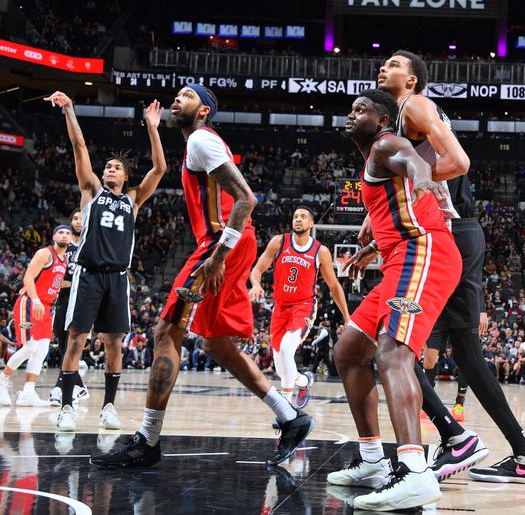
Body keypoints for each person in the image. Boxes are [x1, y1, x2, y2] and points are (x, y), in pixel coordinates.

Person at [89, 85, 313, 469]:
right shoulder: (200, 142)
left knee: (165, 332)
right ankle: (291, 417)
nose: (178, 99)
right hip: (234, 241)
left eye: (188, 95)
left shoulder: (201, 141)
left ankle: (147, 439)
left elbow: (247, 199)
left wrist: (217, 256)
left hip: (220, 242)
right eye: (177, 94)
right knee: (216, 345)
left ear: (205, 111)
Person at [374, 50, 525, 484]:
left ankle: (454, 439)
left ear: (412, 81)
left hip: (449, 235)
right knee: (465, 357)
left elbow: (458, 162)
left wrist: (418, 180)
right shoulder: (404, 117)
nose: (384, 68)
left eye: (395, 65)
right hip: (459, 233)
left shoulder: (414, 106)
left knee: (397, 343)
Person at [327, 89, 458, 511]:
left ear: (383, 120)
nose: (351, 114)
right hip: (398, 257)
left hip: (425, 251)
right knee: (348, 351)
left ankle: (415, 472)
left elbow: (414, 161)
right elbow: (394, 216)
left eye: (360, 109)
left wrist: (423, 175)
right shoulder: (372, 158)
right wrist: (373, 249)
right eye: (350, 108)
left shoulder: (387, 145)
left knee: (393, 353)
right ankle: (372, 461)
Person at [45, 92, 166, 432]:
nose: (109, 169)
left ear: (125, 177)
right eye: (108, 166)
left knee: (114, 344)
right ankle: (66, 406)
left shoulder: (134, 199)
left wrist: (152, 128)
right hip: (89, 275)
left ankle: (109, 407)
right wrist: (70, 108)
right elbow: (79, 147)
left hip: (117, 279)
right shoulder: (91, 191)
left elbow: (160, 168)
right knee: (76, 339)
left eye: (116, 167)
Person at [248, 206, 350, 408]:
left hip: (303, 306)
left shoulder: (320, 252)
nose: (298, 220)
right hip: (280, 307)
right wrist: (256, 284)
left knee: (287, 350)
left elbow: (334, 286)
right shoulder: (279, 242)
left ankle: (285, 408)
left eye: (303, 217)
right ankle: (304, 382)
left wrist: (347, 317)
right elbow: (257, 269)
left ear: (311, 223)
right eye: (295, 216)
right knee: (280, 367)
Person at [0, 226, 70, 406]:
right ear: (54, 236)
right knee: (30, 347)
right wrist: (36, 299)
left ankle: (28, 393)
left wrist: (73, 283)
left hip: (46, 308)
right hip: (29, 303)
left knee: (42, 350)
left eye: (68, 233)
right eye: (61, 232)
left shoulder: (64, 260)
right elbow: (28, 277)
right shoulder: (44, 254)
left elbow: (54, 282)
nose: (65, 235)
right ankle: (2, 382)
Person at [49, 209, 90, 406]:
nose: (78, 222)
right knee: (62, 344)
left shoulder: (90, 246)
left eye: (82, 219)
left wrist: (69, 283)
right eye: (74, 218)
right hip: (62, 301)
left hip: (81, 302)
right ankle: (78, 386)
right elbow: (54, 277)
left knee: (70, 346)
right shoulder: (63, 247)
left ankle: (61, 387)